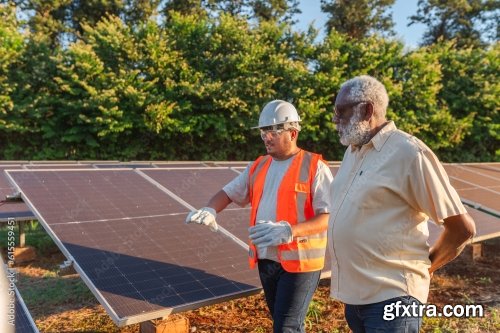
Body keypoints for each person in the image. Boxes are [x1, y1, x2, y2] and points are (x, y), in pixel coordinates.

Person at [328, 75, 476, 332]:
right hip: (356, 299)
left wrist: (427, 267)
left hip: (393, 298)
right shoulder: (353, 152)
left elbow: (461, 228)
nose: (335, 119)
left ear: (367, 110)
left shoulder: (409, 153)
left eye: (341, 111)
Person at [186, 100, 333, 332]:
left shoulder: (315, 167)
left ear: (293, 133)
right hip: (267, 259)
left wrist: (289, 231)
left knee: (286, 327)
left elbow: (329, 217)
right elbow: (229, 192)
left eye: (272, 131)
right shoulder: (258, 166)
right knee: (283, 323)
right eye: (263, 132)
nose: (266, 137)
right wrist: (211, 209)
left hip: (301, 263)